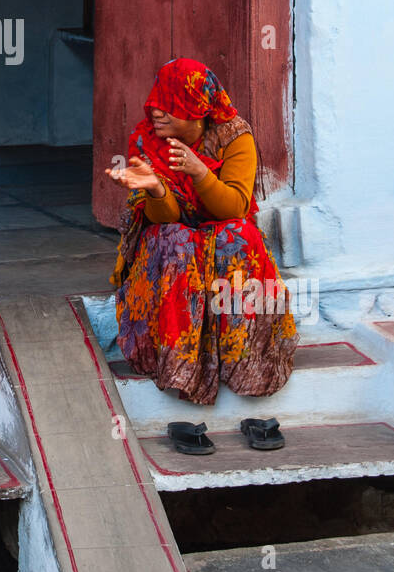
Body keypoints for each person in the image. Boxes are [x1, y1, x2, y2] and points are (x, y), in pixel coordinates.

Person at [107, 57, 298, 406]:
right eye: (155, 103)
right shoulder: (147, 143)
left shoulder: (235, 137)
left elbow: (235, 207)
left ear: (195, 109)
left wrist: (199, 172)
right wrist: (156, 189)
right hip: (175, 237)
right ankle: (179, 365)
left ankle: (246, 360)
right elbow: (166, 219)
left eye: (169, 105)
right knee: (174, 240)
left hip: (221, 229)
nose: (156, 113)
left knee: (237, 236)